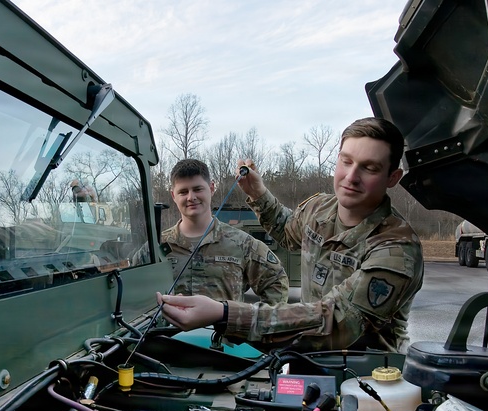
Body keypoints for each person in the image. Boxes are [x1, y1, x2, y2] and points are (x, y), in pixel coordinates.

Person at [158, 117, 424, 351]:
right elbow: (288, 230)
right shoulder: (319, 209)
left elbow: (336, 321)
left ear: (393, 177)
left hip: (368, 381)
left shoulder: (396, 248)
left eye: (369, 168)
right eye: (346, 161)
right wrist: (258, 193)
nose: (351, 177)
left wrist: (224, 314)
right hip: (307, 360)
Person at [160, 158, 289, 305]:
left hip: (224, 329)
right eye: (183, 192)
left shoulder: (242, 244)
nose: (191, 197)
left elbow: (276, 282)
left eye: (197, 189)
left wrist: (251, 322)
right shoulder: (157, 247)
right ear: (173, 196)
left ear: (212, 188)